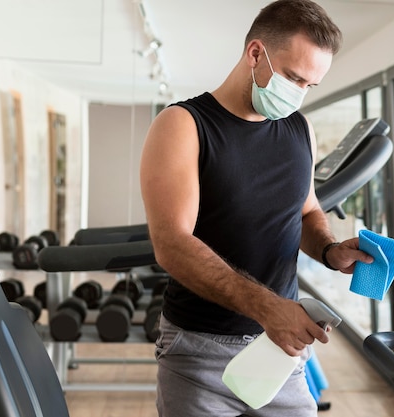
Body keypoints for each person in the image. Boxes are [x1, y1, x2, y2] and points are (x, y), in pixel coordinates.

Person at [140, 1, 372, 415]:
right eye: (293, 77)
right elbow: (171, 244)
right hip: (199, 350)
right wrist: (269, 308)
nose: (298, 94)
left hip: (279, 350)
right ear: (255, 54)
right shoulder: (183, 125)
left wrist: (329, 250)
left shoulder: (300, 128)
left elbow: (305, 212)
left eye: (309, 86)